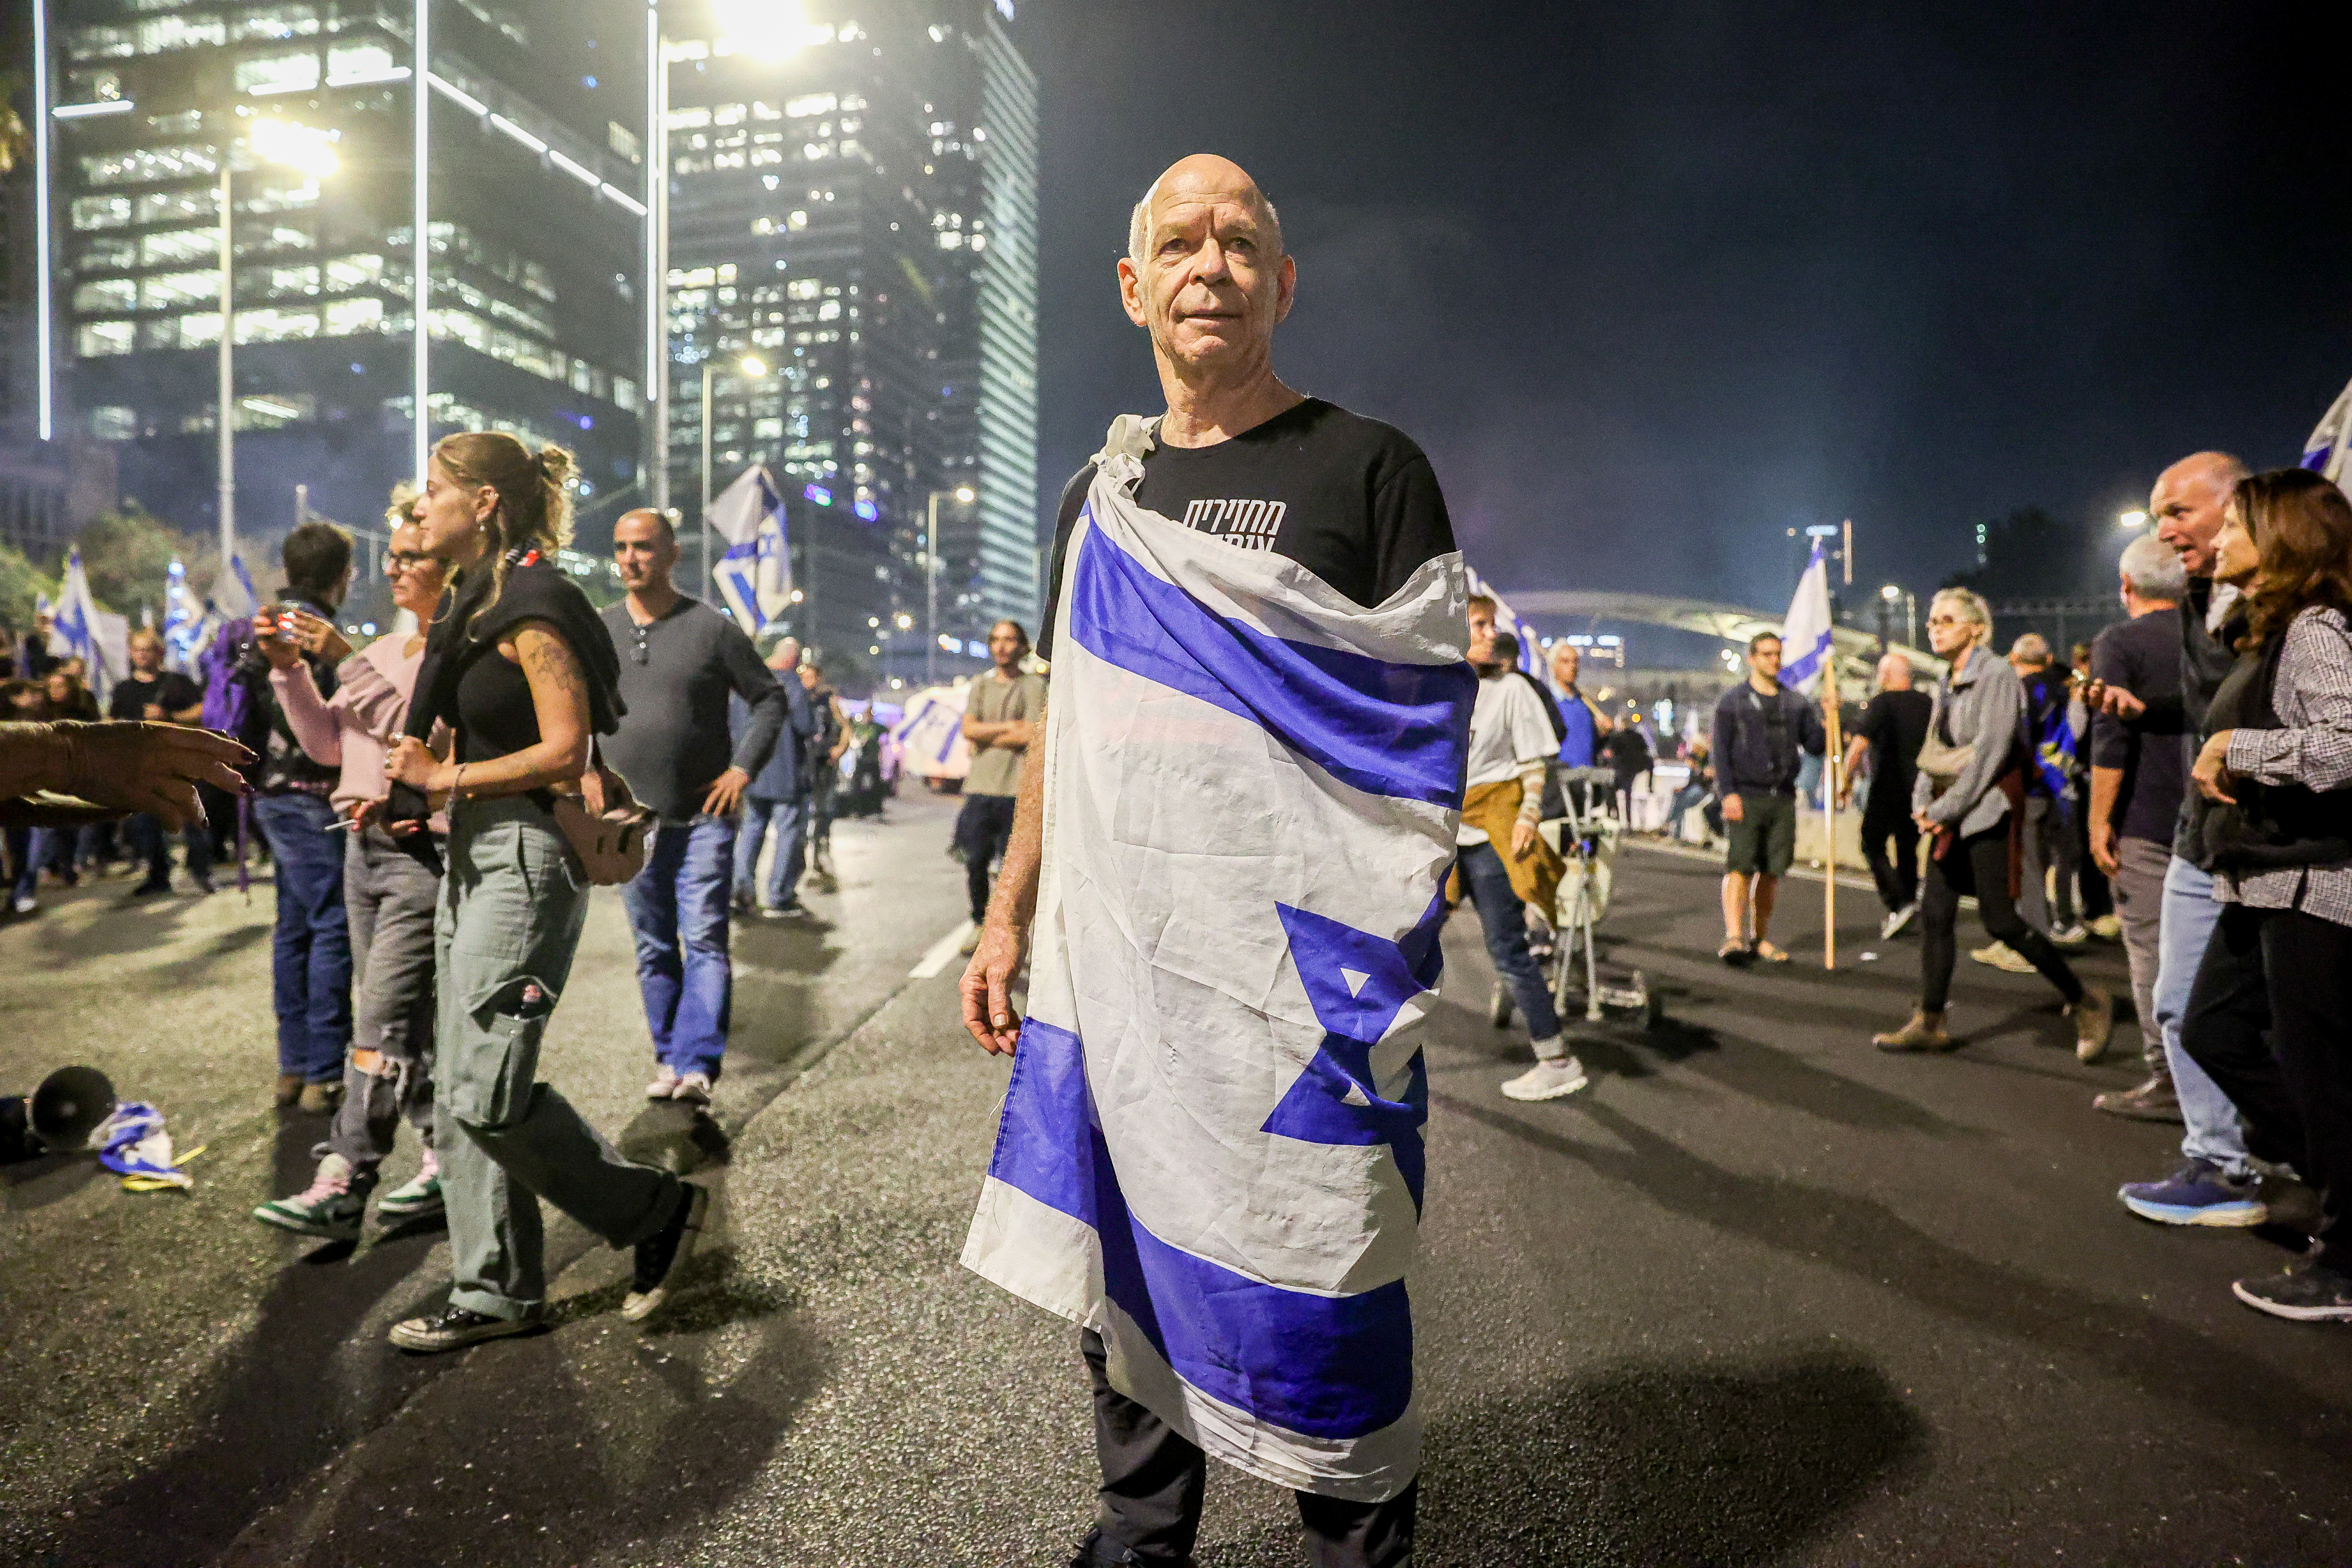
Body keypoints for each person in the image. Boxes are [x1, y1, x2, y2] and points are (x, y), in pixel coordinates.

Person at [961, 154, 1457, 1568]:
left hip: (1305, 980)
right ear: (1133, 287)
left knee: (1327, 1253)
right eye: (1179, 242)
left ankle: (1350, 1538)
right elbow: (1068, 722)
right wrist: (1010, 914)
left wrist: (1392, 946)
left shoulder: (1370, 468)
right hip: (1129, 963)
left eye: (1241, 243)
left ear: (1282, 284)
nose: (1211, 264)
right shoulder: (1098, 498)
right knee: (1132, 1248)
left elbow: (1418, 730)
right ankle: (1142, 1534)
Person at [382, 432, 703, 1353]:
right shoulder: (473, 602)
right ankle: (494, 1291)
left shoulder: (533, 602)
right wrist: (416, 782)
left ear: (484, 503)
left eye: (433, 493)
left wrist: (441, 781)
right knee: (460, 1086)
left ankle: (650, 1209)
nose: (417, 511)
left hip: (523, 856)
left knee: (486, 1091)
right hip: (478, 848)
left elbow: (564, 750)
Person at [2170, 469, 2352, 1319]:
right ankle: (2332, 1179)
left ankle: (2346, 1261)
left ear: (2280, 538)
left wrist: (2239, 748)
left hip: (2315, 885)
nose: (2219, 538)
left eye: (2236, 524)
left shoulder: (2316, 628)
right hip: (2263, 879)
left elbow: (2346, 748)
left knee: (2326, 1073)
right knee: (2213, 1027)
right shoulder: (2268, 629)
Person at [251, 510, 452, 1239]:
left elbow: (420, 735)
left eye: (412, 557)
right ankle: (440, 1155)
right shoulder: (391, 646)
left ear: (451, 568)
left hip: (419, 852)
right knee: (403, 1021)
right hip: (357, 847)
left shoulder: (460, 653)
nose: (393, 569)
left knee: (377, 1020)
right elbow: (328, 746)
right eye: (392, 557)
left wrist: (341, 659)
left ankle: (344, 1172)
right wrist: (287, 668)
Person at [2087, 454, 2274, 1225]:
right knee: (2180, 1006)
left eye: (2180, 513)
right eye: (2158, 514)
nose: (2165, 531)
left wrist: (2246, 755)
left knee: (2280, 1021)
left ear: (2239, 509)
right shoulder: (2203, 597)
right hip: (2204, 838)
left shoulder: (2297, 608)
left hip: (2278, 848)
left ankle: (2282, 1161)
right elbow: (2213, 709)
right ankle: (2222, 1162)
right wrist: (2145, 711)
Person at [1873, 589, 2112, 1055]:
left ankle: (2086, 1000)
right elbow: (1935, 750)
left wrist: (1940, 811)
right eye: (1932, 621)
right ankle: (1930, 1018)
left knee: (2002, 922)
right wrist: (1923, 801)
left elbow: (1988, 756)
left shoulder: (1997, 675)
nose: (1933, 627)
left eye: (1946, 620)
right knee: (1936, 914)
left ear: (1975, 629)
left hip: (1988, 813)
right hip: (1954, 815)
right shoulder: (1947, 678)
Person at [600, 509, 786, 1105]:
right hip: (631, 822)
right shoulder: (600, 629)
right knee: (653, 943)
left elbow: (769, 699)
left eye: (644, 547)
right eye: (622, 547)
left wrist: (742, 769)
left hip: (704, 817)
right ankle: (668, 1056)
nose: (631, 558)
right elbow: (576, 708)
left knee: (704, 937)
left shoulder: (711, 627)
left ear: (672, 553)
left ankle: (697, 1061)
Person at [248, 522, 357, 1114]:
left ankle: (294, 1068)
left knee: (294, 928)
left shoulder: (262, 626)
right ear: (345, 573)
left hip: (269, 792)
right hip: (311, 793)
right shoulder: (320, 634)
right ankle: (321, 1070)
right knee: (332, 923)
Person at [2086, 533, 2191, 1122]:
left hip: (2146, 821)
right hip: (2211, 817)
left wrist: (2101, 819)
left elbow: (2111, 736)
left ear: (2126, 587)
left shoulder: (2119, 642)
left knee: (2151, 950)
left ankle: (2167, 1078)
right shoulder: (2213, 637)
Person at [1459, 628, 1586, 1101]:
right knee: (1406, 939)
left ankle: (1556, 1058)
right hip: (1440, 829)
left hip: (1490, 833)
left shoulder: (1511, 688)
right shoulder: (1433, 683)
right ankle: (1364, 1051)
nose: (1488, 634)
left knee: (1507, 949)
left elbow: (1535, 763)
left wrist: (1529, 814)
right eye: (1477, 624)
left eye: (1489, 625)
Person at [1708, 632, 1825, 964]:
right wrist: (1728, 792)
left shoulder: (1795, 702)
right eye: (1767, 654)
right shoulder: (1733, 702)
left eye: (1778, 654)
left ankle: (1760, 937)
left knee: (1772, 872)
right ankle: (1734, 936)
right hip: (1746, 794)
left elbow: (1815, 744)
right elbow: (1721, 752)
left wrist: (1828, 715)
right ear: (1752, 658)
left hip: (1782, 798)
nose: (1774, 660)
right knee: (1741, 867)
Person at [954, 619, 1045, 949]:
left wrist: (988, 732)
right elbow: (968, 729)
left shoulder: (1035, 686)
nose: (1001, 646)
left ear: (1022, 646)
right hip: (980, 788)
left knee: (1013, 870)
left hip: (1017, 792)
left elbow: (1032, 733)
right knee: (974, 861)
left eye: (1009, 640)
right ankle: (980, 923)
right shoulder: (980, 685)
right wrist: (1010, 728)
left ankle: (1010, 933)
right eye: (996, 640)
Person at [1998, 633, 2091, 957]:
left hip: (2031, 787)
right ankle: (2068, 920)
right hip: (2065, 785)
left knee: (2030, 863)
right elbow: (2078, 731)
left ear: (2013, 658)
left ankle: (2033, 934)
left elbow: (2013, 737)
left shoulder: (2018, 690)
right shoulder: (2070, 688)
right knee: (2066, 857)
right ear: (2049, 659)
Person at [107, 629, 211, 897]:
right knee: (145, 826)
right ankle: (157, 875)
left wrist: (169, 717)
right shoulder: (123, 689)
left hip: (177, 763)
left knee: (192, 820)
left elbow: (202, 712)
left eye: (148, 649)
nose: (142, 654)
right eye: (138, 650)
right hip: (140, 766)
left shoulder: (178, 683)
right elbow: (111, 723)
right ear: (131, 654)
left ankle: (200, 872)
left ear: (160, 653)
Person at [1840, 652, 1932, 939]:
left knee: (1872, 842)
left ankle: (1899, 902)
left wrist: (1845, 780)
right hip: (1920, 789)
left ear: (1888, 675)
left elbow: (1858, 747)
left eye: (1881, 672)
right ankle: (1908, 903)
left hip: (1888, 787)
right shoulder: (1928, 704)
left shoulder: (1882, 704)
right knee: (1908, 848)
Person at [731, 633, 820, 920]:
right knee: (788, 834)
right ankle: (779, 896)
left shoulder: (746, 680)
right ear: (794, 659)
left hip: (751, 771)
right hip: (785, 775)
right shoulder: (791, 685)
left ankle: (742, 892)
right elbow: (806, 726)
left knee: (751, 831)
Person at [799, 652, 848, 881]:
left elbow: (845, 727)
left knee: (823, 809)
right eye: (804, 677)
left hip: (825, 762)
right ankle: (804, 855)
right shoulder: (799, 699)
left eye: (810, 677)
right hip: (804, 762)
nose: (807, 681)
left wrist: (840, 749)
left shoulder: (828, 699)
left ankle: (821, 850)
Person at [1548, 640, 1612, 770]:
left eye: (1575, 661)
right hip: (1559, 778)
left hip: (1587, 777)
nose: (1572, 666)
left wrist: (1603, 734)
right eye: (1565, 661)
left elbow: (1591, 745)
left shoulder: (1584, 704)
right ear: (1554, 666)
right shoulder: (1548, 702)